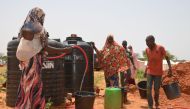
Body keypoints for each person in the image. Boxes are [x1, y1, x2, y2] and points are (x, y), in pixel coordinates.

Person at [15, 7, 72, 109]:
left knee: (27, 85)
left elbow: (43, 48)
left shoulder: (31, 27)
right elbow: (40, 44)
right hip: (31, 60)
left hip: (27, 59)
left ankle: (27, 106)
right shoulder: (34, 26)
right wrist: (63, 50)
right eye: (42, 16)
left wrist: (63, 51)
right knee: (31, 86)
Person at [144, 35, 172, 109]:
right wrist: (145, 71)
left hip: (158, 73)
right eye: (146, 42)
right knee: (148, 88)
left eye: (147, 42)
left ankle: (156, 101)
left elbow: (167, 57)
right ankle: (150, 105)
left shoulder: (160, 48)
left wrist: (170, 69)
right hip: (150, 72)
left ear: (153, 41)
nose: (146, 43)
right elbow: (149, 61)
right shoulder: (147, 50)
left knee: (156, 89)